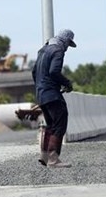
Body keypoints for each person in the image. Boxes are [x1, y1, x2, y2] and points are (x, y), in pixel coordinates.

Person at [31, 29, 77, 168]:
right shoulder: (58, 51)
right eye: (68, 44)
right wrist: (67, 83)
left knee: (50, 125)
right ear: (65, 40)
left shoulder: (42, 50)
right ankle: (53, 159)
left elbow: (34, 72)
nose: (67, 48)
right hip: (51, 94)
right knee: (60, 123)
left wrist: (41, 87)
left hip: (41, 94)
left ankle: (44, 156)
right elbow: (54, 71)